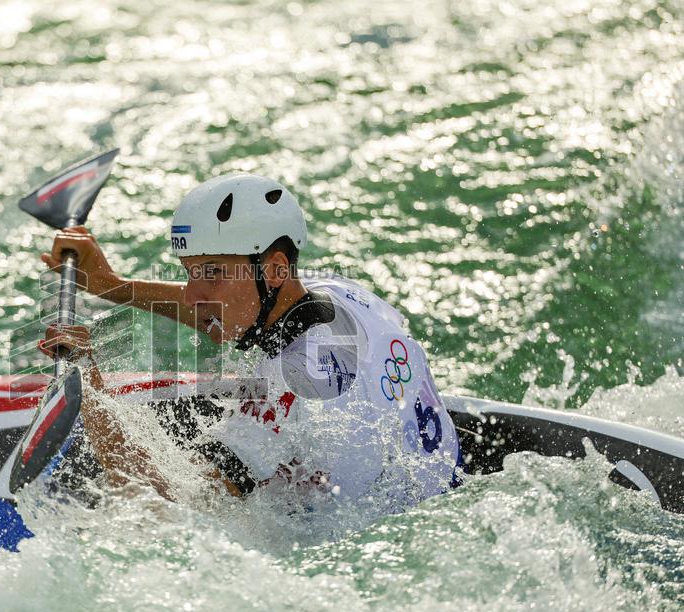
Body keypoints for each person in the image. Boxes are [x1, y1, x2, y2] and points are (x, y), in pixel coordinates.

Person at [38, 174, 460, 511]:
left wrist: (86, 385)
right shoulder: (343, 295)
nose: (191, 294)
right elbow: (224, 316)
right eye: (190, 273)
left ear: (274, 270)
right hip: (443, 482)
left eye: (213, 274)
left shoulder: (287, 391)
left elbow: (158, 506)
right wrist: (115, 287)